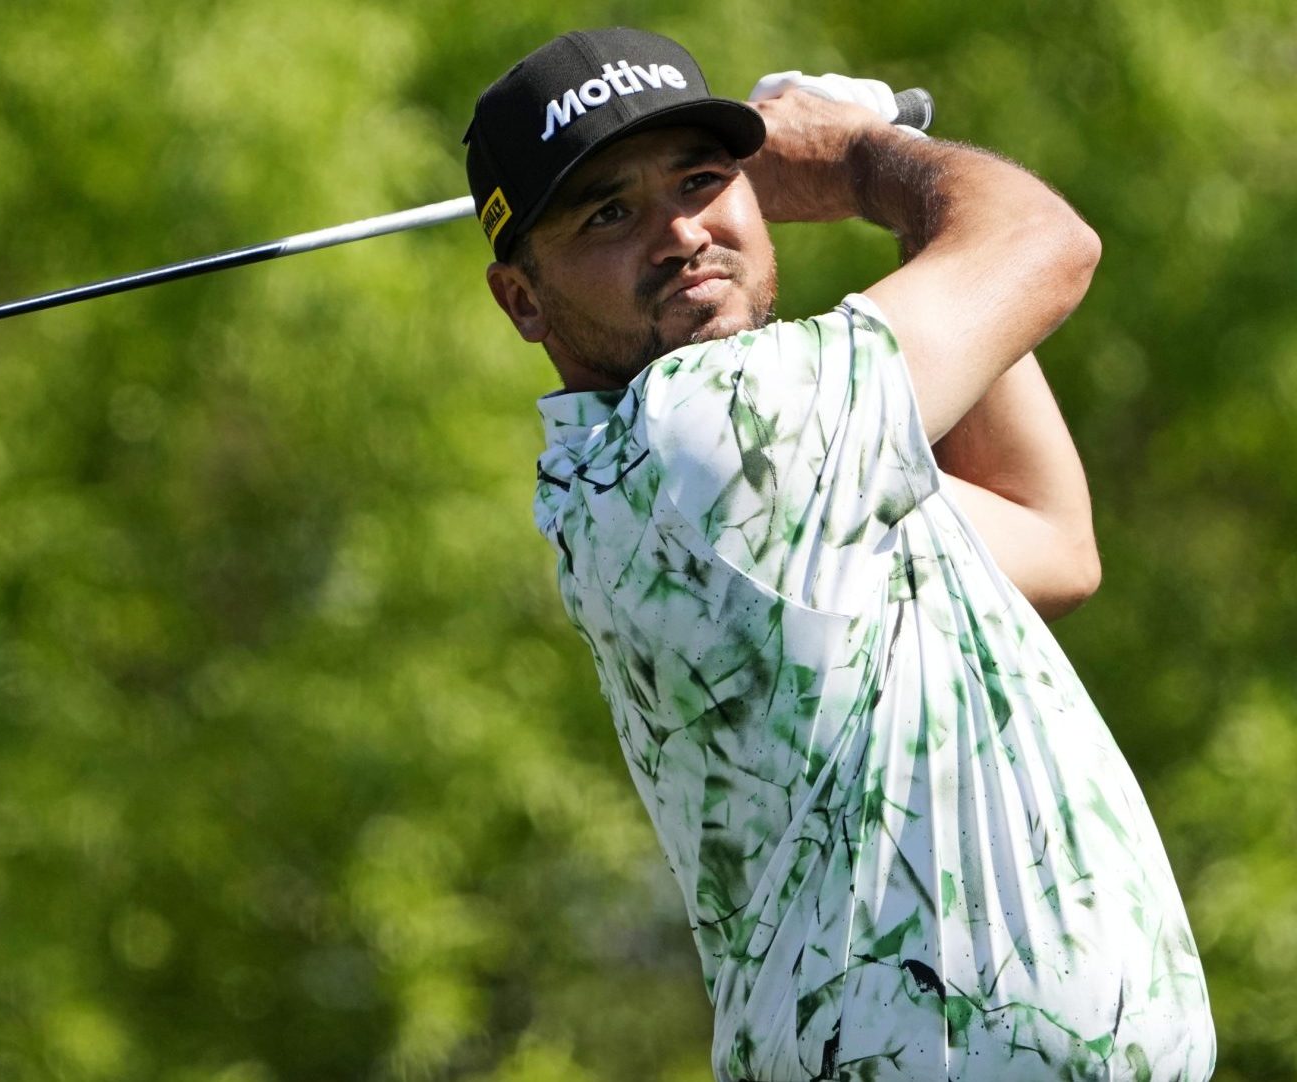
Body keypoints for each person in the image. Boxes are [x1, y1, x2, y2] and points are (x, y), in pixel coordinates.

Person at [464, 27, 1215, 1081]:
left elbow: (1046, 538)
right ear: (523, 299)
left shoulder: (740, 472)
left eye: (703, 178)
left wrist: (902, 194)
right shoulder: (710, 426)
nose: (682, 232)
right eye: (609, 213)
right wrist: (865, 159)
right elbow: (1046, 242)